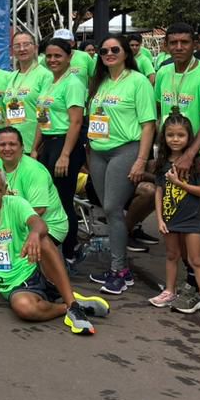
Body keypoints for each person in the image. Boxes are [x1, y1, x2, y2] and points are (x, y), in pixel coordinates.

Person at [0, 167, 111, 334]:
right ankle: (69, 306)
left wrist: (34, 234)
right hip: (15, 286)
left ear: (5, 189)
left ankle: (73, 307)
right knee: (24, 308)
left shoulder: (16, 203)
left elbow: (37, 223)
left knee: (43, 239)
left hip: (39, 270)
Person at [86, 33, 157, 296]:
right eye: (104, 51)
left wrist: (141, 160)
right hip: (98, 151)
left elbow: (148, 124)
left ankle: (120, 271)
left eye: (115, 49)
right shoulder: (100, 82)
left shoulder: (138, 82)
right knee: (110, 211)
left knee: (113, 208)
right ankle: (117, 266)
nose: (109, 54)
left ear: (126, 52)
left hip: (124, 150)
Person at [147, 114, 200, 322]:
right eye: (170, 135)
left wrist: (179, 183)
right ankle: (169, 291)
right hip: (170, 218)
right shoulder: (162, 162)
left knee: (196, 260)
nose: (175, 139)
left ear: (189, 137)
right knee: (171, 255)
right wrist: (160, 219)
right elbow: (159, 192)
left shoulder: (196, 162)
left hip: (191, 220)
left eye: (181, 135)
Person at [32, 37, 87, 259]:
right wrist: (36, 148)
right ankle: (50, 249)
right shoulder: (48, 82)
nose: (53, 60)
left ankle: (69, 252)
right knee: (47, 200)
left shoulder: (73, 83)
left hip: (66, 144)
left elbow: (76, 121)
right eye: (49, 56)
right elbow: (41, 118)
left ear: (69, 57)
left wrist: (65, 154)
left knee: (63, 201)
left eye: (58, 56)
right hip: (48, 143)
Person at [0, 127, 68, 246]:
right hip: (15, 223)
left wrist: (4, 228)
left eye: (12, 144)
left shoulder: (34, 171)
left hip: (48, 226)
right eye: (2, 144)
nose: (7, 148)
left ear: (22, 147)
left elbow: (39, 210)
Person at [4, 32, 53, 155]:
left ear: (35, 48)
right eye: (17, 45)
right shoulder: (11, 77)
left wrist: (35, 148)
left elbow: (45, 114)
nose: (22, 49)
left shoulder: (45, 75)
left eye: (26, 44)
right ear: (12, 50)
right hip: (12, 145)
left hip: (34, 145)